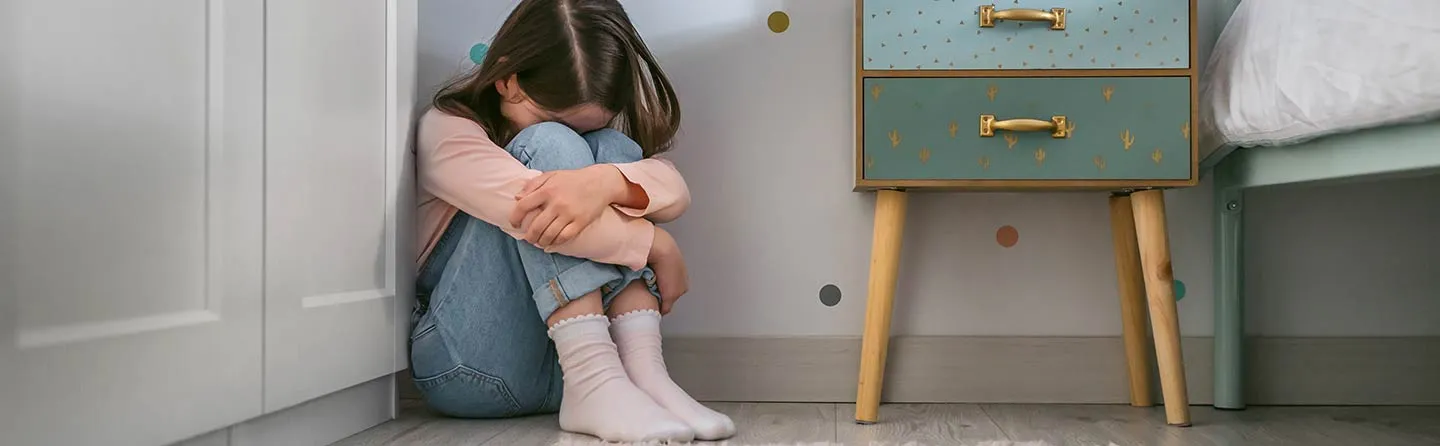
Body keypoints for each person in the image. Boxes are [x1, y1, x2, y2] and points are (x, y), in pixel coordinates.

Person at [408, 0, 734, 442]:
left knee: (611, 149)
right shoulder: (447, 132)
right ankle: (596, 379)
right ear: (507, 80)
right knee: (551, 152)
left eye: (583, 126)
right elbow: (536, 215)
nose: (575, 141)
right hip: (469, 366)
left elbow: (673, 190)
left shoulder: (591, 141)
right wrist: (655, 244)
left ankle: (643, 373)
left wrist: (603, 183)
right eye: (558, 119)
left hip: (566, 371)